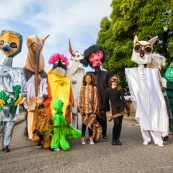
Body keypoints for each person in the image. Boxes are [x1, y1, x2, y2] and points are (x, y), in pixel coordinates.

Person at [125, 35, 169, 147]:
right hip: (140, 99)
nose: (142, 52)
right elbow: (132, 85)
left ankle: (158, 140)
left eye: (147, 49)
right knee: (143, 119)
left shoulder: (153, 72)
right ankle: (146, 138)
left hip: (152, 99)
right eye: (139, 48)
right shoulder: (132, 72)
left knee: (154, 118)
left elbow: (157, 84)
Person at [0, 30, 26, 152]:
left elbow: (23, 86)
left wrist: (23, 95)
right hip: (1, 98)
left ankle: (5, 145)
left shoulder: (18, 71)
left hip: (12, 101)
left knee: (9, 124)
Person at [81, 45, 111, 139]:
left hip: (103, 97)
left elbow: (110, 86)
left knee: (103, 116)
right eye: (92, 56)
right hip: (93, 98)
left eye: (98, 54)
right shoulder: (89, 74)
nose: (96, 58)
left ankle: (104, 133)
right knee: (94, 116)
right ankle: (94, 132)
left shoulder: (106, 73)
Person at [106, 75, 130, 145]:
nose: (115, 81)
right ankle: (113, 139)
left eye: (116, 80)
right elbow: (106, 99)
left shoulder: (119, 89)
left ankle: (117, 139)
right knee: (116, 123)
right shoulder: (108, 89)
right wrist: (105, 108)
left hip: (121, 106)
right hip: (114, 107)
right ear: (111, 80)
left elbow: (123, 99)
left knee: (119, 124)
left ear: (118, 81)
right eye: (114, 80)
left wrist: (127, 109)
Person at [77, 73, 99, 145]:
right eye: (86, 78)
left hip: (91, 110)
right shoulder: (82, 88)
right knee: (84, 124)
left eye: (89, 78)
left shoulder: (94, 88)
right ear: (84, 79)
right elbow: (79, 98)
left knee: (91, 124)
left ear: (91, 79)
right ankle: (82, 137)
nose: (88, 80)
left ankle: (90, 137)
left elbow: (96, 99)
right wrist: (79, 108)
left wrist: (95, 110)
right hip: (84, 110)